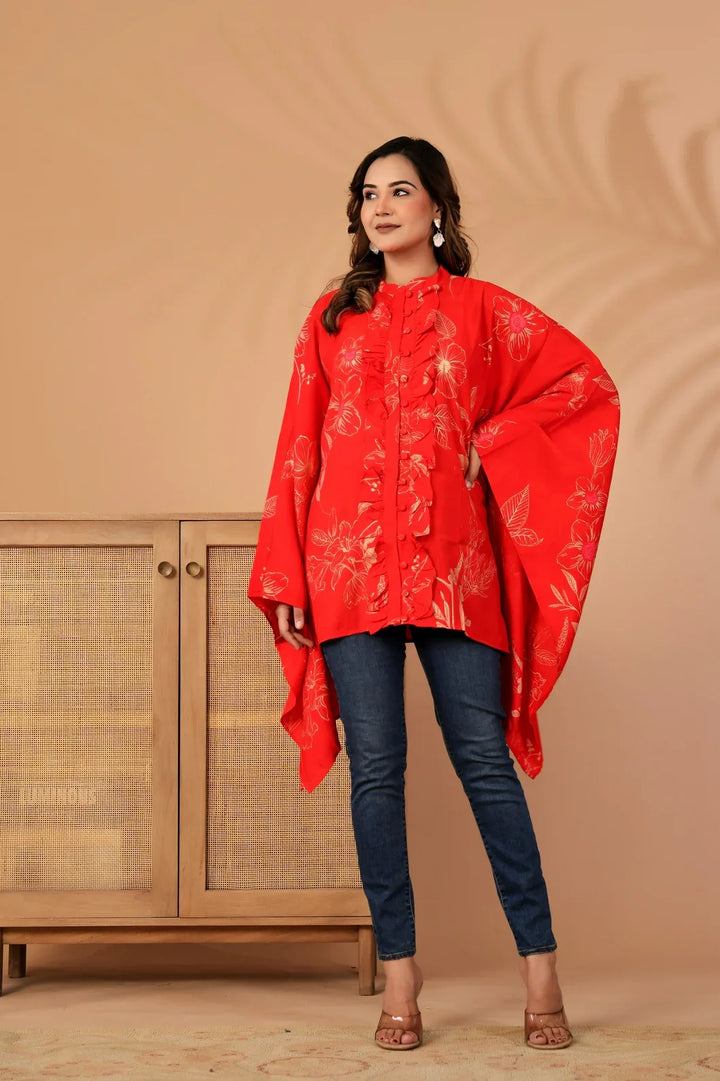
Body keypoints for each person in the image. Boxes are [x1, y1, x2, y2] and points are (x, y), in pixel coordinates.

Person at [248, 136, 620, 1052]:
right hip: (348, 567)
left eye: (399, 190)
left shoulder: (486, 312)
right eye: (367, 194)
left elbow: (583, 384)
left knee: (483, 762)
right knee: (376, 770)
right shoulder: (331, 319)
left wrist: (495, 442)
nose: (380, 207)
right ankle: (401, 973)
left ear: (437, 209)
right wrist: (287, 570)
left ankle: (541, 964)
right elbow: (300, 446)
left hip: (456, 566)